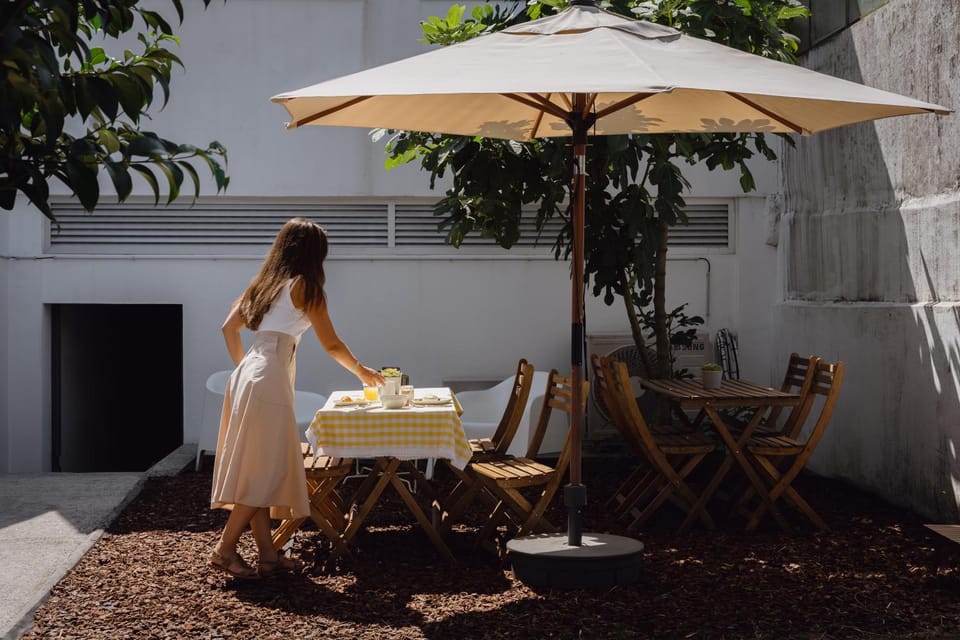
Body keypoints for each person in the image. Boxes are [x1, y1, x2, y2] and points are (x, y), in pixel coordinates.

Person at [208, 217, 384, 579]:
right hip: (268, 376)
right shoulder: (305, 286)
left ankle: (268, 556)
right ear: (313, 254)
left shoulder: (264, 286)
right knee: (263, 469)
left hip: (248, 375)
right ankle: (224, 550)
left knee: (256, 468)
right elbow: (332, 343)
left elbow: (228, 329)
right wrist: (363, 372)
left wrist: (249, 369)